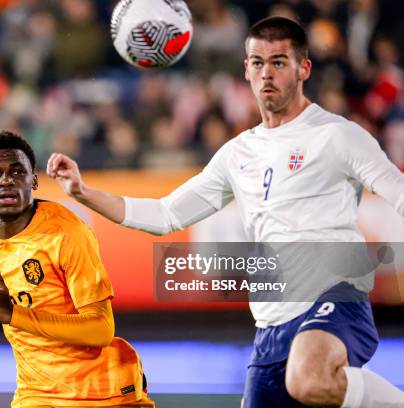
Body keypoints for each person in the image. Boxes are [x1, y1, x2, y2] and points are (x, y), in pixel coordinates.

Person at [47, 17, 404, 408]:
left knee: (308, 378)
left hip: (336, 297)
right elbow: (166, 214)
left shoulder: (337, 135)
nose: (266, 73)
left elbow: (397, 191)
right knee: (307, 383)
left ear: (304, 68)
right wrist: (82, 192)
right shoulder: (237, 154)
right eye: (257, 62)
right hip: (271, 325)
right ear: (246, 69)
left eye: (279, 62)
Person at [0, 131, 154, 408]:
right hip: (36, 395)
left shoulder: (67, 233)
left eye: (17, 172)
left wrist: (13, 314)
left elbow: (101, 329)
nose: (6, 180)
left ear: (33, 180)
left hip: (102, 393)